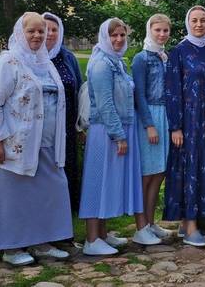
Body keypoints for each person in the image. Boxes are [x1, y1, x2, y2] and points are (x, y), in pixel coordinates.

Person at [0, 12, 72, 266]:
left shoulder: (45, 63)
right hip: (13, 143)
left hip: (46, 141)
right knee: (12, 196)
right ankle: (12, 246)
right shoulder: (7, 63)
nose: (39, 36)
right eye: (32, 31)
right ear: (20, 33)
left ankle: (42, 241)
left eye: (42, 31)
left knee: (46, 192)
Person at [80, 18, 161, 254]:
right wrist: (119, 136)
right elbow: (105, 104)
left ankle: (102, 235)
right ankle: (92, 240)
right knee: (97, 182)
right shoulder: (101, 64)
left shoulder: (117, 62)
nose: (118, 39)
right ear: (105, 36)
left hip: (121, 128)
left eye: (122, 35)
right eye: (113, 35)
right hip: (105, 132)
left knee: (107, 182)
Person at [164, 5, 205, 247]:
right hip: (189, 121)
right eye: (194, 20)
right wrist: (176, 126)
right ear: (187, 22)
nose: (199, 24)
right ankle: (190, 226)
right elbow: (172, 90)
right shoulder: (179, 51)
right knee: (190, 169)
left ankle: (189, 224)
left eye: (203, 20)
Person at [132, 13, 173, 241]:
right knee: (146, 174)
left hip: (165, 115)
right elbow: (139, 93)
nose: (161, 34)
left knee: (159, 173)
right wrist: (149, 125)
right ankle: (140, 227)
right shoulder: (142, 58)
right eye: (157, 30)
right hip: (149, 117)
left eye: (165, 30)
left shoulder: (164, 57)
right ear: (150, 30)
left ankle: (151, 222)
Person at [42, 13, 83, 213]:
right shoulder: (32, 57)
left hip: (67, 125)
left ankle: (64, 214)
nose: (49, 33)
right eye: (45, 29)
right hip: (42, 127)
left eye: (54, 29)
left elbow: (79, 88)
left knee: (66, 168)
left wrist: (80, 125)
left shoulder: (67, 57)